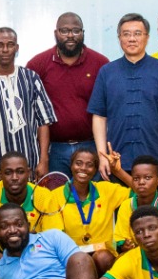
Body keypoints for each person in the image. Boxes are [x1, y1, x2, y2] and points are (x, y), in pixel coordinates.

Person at [89, 13, 158, 186]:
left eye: (137, 33)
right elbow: (99, 117)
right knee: (122, 211)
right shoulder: (107, 72)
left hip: (154, 159)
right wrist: (102, 156)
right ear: (119, 38)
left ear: (147, 37)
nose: (131, 39)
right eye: (126, 34)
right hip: (117, 162)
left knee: (153, 212)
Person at [0, 27, 54, 187]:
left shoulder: (31, 78)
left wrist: (43, 160)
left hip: (30, 165)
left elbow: (44, 122)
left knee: (31, 210)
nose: (5, 49)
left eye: (10, 44)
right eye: (0, 45)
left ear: (17, 48)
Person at [27, 12, 109, 177]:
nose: (70, 35)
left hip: (91, 146)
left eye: (76, 31)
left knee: (93, 200)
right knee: (57, 200)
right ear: (56, 33)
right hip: (53, 149)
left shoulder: (101, 63)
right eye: (64, 31)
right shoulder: (38, 64)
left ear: (83, 33)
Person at [0, 152, 63, 247]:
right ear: (0, 175)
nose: (15, 177)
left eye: (20, 172)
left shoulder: (44, 196)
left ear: (28, 173)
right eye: (8, 172)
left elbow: (54, 239)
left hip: (35, 254)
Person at [50, 148, 130, 251]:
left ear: (96, 170)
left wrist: (118, 171)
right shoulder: (55, 196)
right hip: (71, 256)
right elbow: (56, 236)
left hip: (104, 256)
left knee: (103, 258)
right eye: (78, 163)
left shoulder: (106, 190)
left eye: (90, 165)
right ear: (71, 166)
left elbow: (142, 192)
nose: (83, 168)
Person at [111, 155, 158, 254]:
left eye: (147, 178)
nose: (141, 182)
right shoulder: (126, 205)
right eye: (136, 178)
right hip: (134, 255)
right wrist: (126, 245)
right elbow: (121, 240)